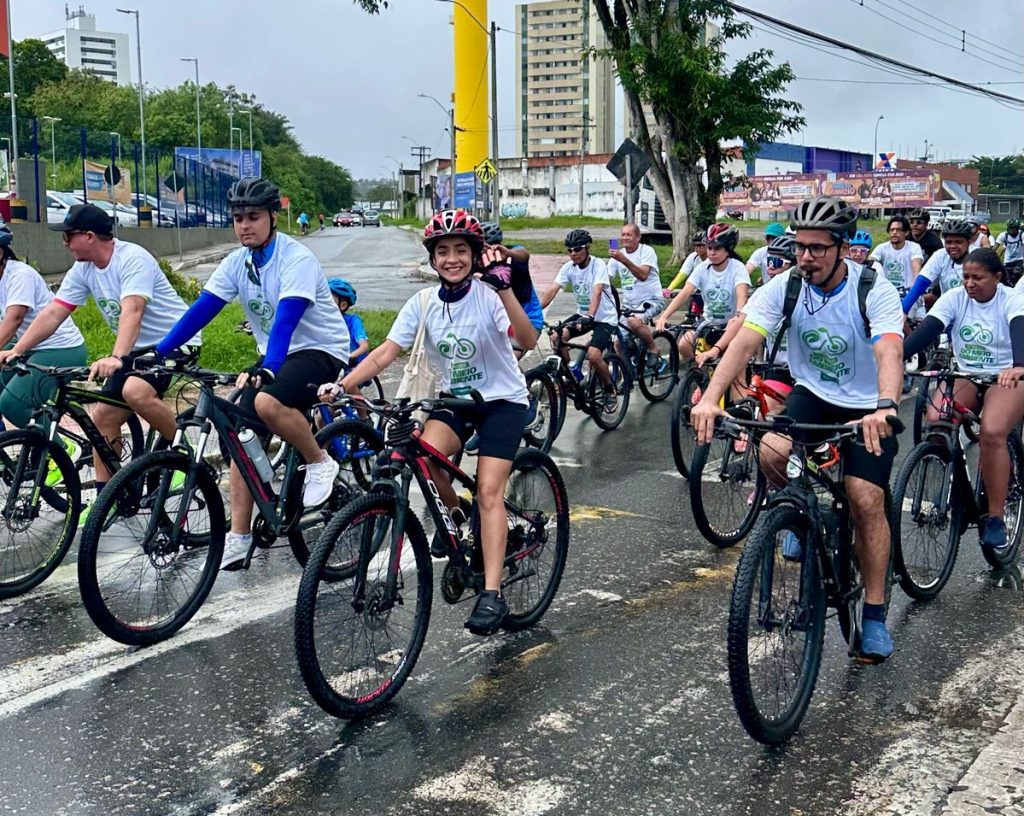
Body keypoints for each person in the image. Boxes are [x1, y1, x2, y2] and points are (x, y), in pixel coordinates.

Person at [690, 195, 904, 662]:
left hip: (866, 404)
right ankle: (800, 512)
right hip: (814, 393)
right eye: (800, 246)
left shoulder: (874, 289)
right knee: (769, 451)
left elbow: (889, 349)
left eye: (817, 248)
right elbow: (746, 342)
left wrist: (885, 406)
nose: (805, 256)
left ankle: (872, 614)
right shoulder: (786, 286)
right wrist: (710, 398)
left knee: (864, 496)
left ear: (842, 248)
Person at [324, 208, 538, 636]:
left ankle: (492, 593)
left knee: (490, 492)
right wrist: (342, 384)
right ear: (432, 259)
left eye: (461, 250)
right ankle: (459, 522)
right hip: (457, 401)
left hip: (502, 401)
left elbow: (526, 340)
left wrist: (506, 289)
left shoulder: (491, 293)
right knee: (426, 459)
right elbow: (386, 352)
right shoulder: (422, 302)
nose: (452, 258)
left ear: (475, 255)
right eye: (443, 251)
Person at [154, 177, 348, 571]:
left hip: (319, 350)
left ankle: (318, 460)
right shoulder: (236, 263)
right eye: (238, 218)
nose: (245, 225)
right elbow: (201, 310)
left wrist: (269, 368)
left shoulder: (296, 258)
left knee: (266, 401)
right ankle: (239, 537)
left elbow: (286, 321)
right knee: (238, 436)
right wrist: (157, 351)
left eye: (254, 217)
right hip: (274, 358)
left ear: (274, 216)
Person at [0, 204, 201, 515]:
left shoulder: (132, 259)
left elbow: (133, 311)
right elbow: (53, 313)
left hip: (173, 344)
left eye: (69, 236)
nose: (64, 242)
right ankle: (107, 500)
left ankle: (183, 453)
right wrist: (18, 350)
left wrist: (117, 357)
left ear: (90, 236)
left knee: (135, 391)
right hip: (136, 350)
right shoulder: (83, 269)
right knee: (103, 418)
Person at [902, 248, 1024, 550]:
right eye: (966, 277)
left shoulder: (1011, 299)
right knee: (937, 418)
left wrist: (1019, 365)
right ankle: (951, 486)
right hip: (966, 374)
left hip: (1005, 376)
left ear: (997, 278)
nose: (969, 283)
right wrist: (895, 357)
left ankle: (995, 515)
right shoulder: (955, 298)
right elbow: (928, 331)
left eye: (977, 278)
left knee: (992, 433)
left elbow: (1020, 330)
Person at [694, 233, 797, 413]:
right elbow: (741, 323)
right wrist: (716, 349)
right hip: (780, 370)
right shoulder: (767, 291)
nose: (771, 268)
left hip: (811, 377)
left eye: (778, 263)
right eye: (770, 262)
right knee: (765, 415)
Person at [0, 225, 87, 434]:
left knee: (12, 405)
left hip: (60, 349)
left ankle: (61, 450)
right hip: (28, 346)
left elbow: (14, 319)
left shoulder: (19, 275)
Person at [539, 228, 621, 413]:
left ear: (588, 248)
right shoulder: (568, 268)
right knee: (556, 337)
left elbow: (597, 291)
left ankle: (610, 390)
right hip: (583, 314)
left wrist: (590, 316)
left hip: (604, 318)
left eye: (578, 249)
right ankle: (572, 377)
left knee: (593, 355)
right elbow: (553, 290)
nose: (573, 254)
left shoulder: (598, 265)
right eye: (570, 250)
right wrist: (534, 313)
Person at [655, 223, 750, 361]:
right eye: (709, 248)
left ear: (728, 249)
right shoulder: (702, 268)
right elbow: (685, 293)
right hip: (708, 321)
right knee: (684, 345)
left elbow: (742, 294)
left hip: (731, 323)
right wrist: (665, 316)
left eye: (717, 249)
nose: (711, 252)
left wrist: (737, 315)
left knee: (731, 358)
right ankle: (698, 374)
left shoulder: (737, 268)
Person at [607, 223, 664, 368]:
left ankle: (653, 348)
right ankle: (628, 376)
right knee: (618, 342)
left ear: (638, 237)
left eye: (629, 235)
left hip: (652, 300)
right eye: (623, 234)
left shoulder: (647, 251)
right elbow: (606, 280)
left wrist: (623, 260)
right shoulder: (617, 256)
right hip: (629, 305)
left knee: (634, 322)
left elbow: (643, 275)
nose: (625, 238)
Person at [479, 221, 544, 335]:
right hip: (499, 322)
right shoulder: (479, 263)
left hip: (529, 320)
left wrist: (509, 253)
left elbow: (524, 254)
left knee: (512, 352)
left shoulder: (514, 253)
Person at [900, 218, 973, 313]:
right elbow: (921, 283)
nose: (953, 246)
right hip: (948, 310)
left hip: (973, 310)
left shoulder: (978, 256)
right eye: (949, 242)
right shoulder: (941, 255)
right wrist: (903, 310)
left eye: (958, 242)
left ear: (968, 242)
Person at [870, 214, 924, 316]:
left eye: (898, 230)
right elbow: (871, 262)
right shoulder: (882, 248)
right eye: (892, 230)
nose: (894, 232)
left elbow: (916, 266)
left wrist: (917, 289)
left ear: (907, 232)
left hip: (909, 294)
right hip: (887, 294)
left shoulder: (914, 247)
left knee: (908, 318)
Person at [328, 278, 369, 364]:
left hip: (356, 365)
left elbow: (364, 346)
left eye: (329, 301)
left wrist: (349, 357)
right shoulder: (325, 322)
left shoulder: (353, 321)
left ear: (343, 305)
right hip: (336, 365)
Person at [995, 218, 1023, 286]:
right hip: (1008, 260)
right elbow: (995, 247)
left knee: (1017, 272)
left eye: (1013, 229)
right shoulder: (1004, 235)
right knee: (1006, 278)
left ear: (1017, 228)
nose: (1012, 231)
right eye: (1010, 228)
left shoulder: (1022, 235)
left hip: (1019, 259)